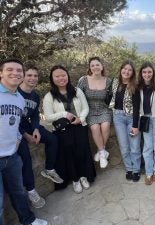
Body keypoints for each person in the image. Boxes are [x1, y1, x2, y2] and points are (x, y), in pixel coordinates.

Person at [0, 59, 48, 225]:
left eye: (19, 70)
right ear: (1, 73)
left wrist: (20, 137)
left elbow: (15, 123)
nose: (15, 73)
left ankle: (28, 221)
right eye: (10, 70)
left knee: (19, 193)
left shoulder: (18, 99)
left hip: (11, 156)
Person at [43, 65, 96, 194]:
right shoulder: (49, 96)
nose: (61, 78)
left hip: (79, 126)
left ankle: (84, 176)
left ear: (67, 76)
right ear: (52, 78)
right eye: (57, 76)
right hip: (63, 130)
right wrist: (63, 114)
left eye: (63, 75)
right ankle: (75, 179)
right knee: (69, 154)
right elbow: (48, 117)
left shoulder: (77, 91)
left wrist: (81, 118)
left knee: (81, 151)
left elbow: (85, 107)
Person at [17, 65, 63, 209]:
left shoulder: (35, 95)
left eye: (35, 76)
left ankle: (49, 169)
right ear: (23, 76)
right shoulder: (15, 93)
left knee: (53, 139)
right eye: (29, 75)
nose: (32, 78)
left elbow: (35, 115)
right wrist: (26, 135)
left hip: (30, 127)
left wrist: (36, 129)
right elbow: (11, 120)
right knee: (25, 156)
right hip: (17, 131)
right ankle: (31, 191)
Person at [109, 60, 141, 182]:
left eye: (129, 70)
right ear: (121, 69)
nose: (126, 71)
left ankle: (136, 170)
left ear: (132, 73)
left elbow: (137, 106)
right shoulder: (115, 82)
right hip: (118, 117)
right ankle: (129, 169)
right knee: (124, 146)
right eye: (125, 69)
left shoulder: (135, 85)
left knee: (134, 146)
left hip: (131, 117)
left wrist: (135, 125)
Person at [78, 57, 112, 168]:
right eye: (92, 65)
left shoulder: (108, 81)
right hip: (89, 110)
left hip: (104, 109)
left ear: (102, 66)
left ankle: (100, 151)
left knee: (106, 126)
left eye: (97, 65)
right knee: (95, 128)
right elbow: (77, 97)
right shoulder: (83, 80)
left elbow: (112, 98)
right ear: (90, 68)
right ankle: (103, 152)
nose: (95, 67)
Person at [137, 62, 155, 185]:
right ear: (141, 73)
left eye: (149, 72)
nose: (147, 74)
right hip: (145, 119)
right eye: (144, 72)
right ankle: (148, 173)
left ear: (153, 73)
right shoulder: (138, 87)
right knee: (148, 147)